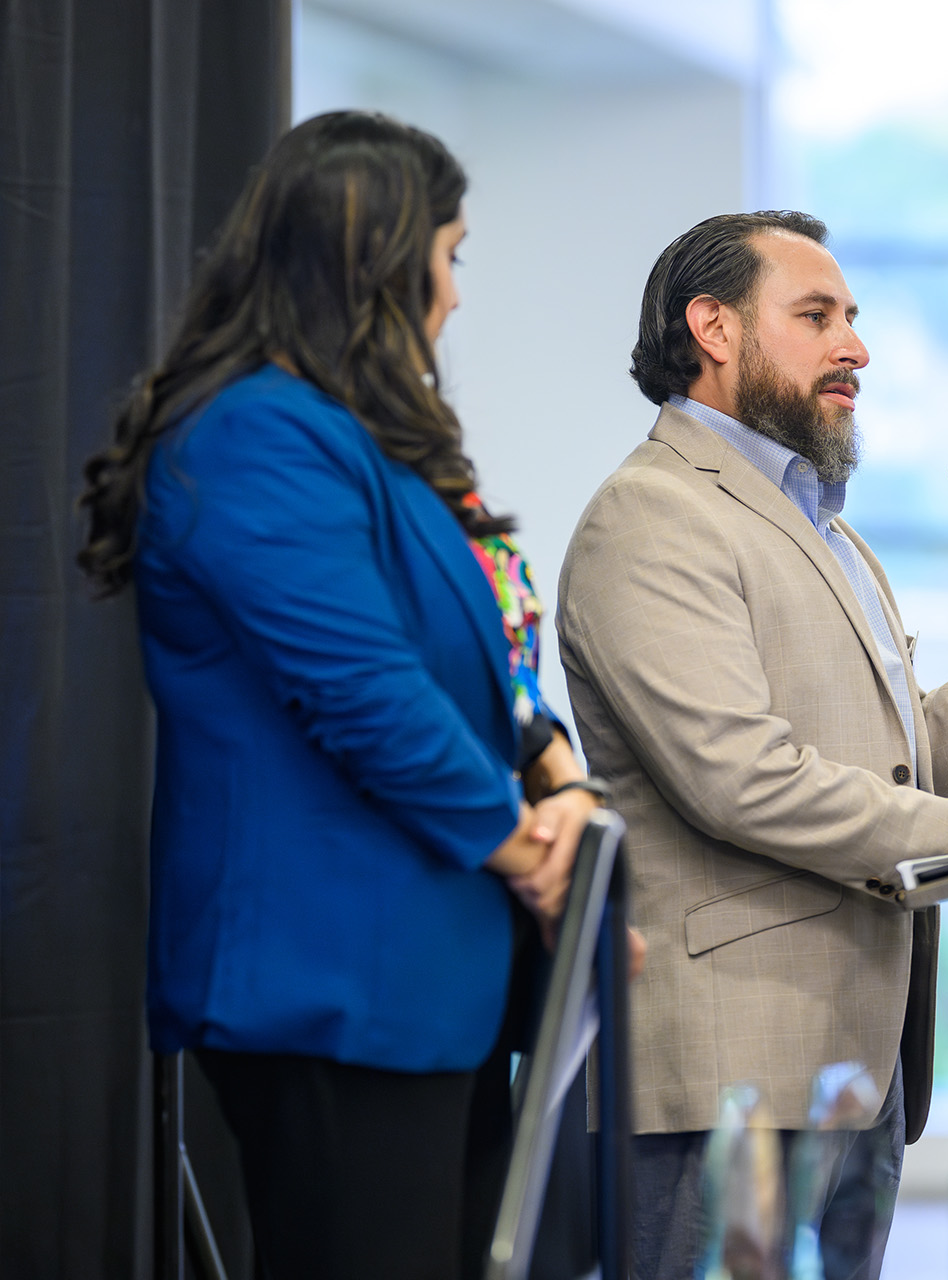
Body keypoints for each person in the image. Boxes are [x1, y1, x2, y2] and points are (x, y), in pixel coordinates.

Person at [77, 111, 609, 1280]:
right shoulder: (252, 433)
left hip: (437, 982)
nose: (458, 295)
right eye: (451, 254)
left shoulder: (383, 445)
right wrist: (525, 846)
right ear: (374, 256)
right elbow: (364, 690)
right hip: (332, 981)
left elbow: (492, 657)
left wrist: (557, 773)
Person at [557, 210, 948, 1279]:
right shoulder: (653, 517)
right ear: (712, 327)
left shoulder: (824, 524)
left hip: (852, 1055)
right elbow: (741, 780)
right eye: (816, 315)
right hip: (729, 1064)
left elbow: (888, 752)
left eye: (852, 317)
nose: (854, 345)